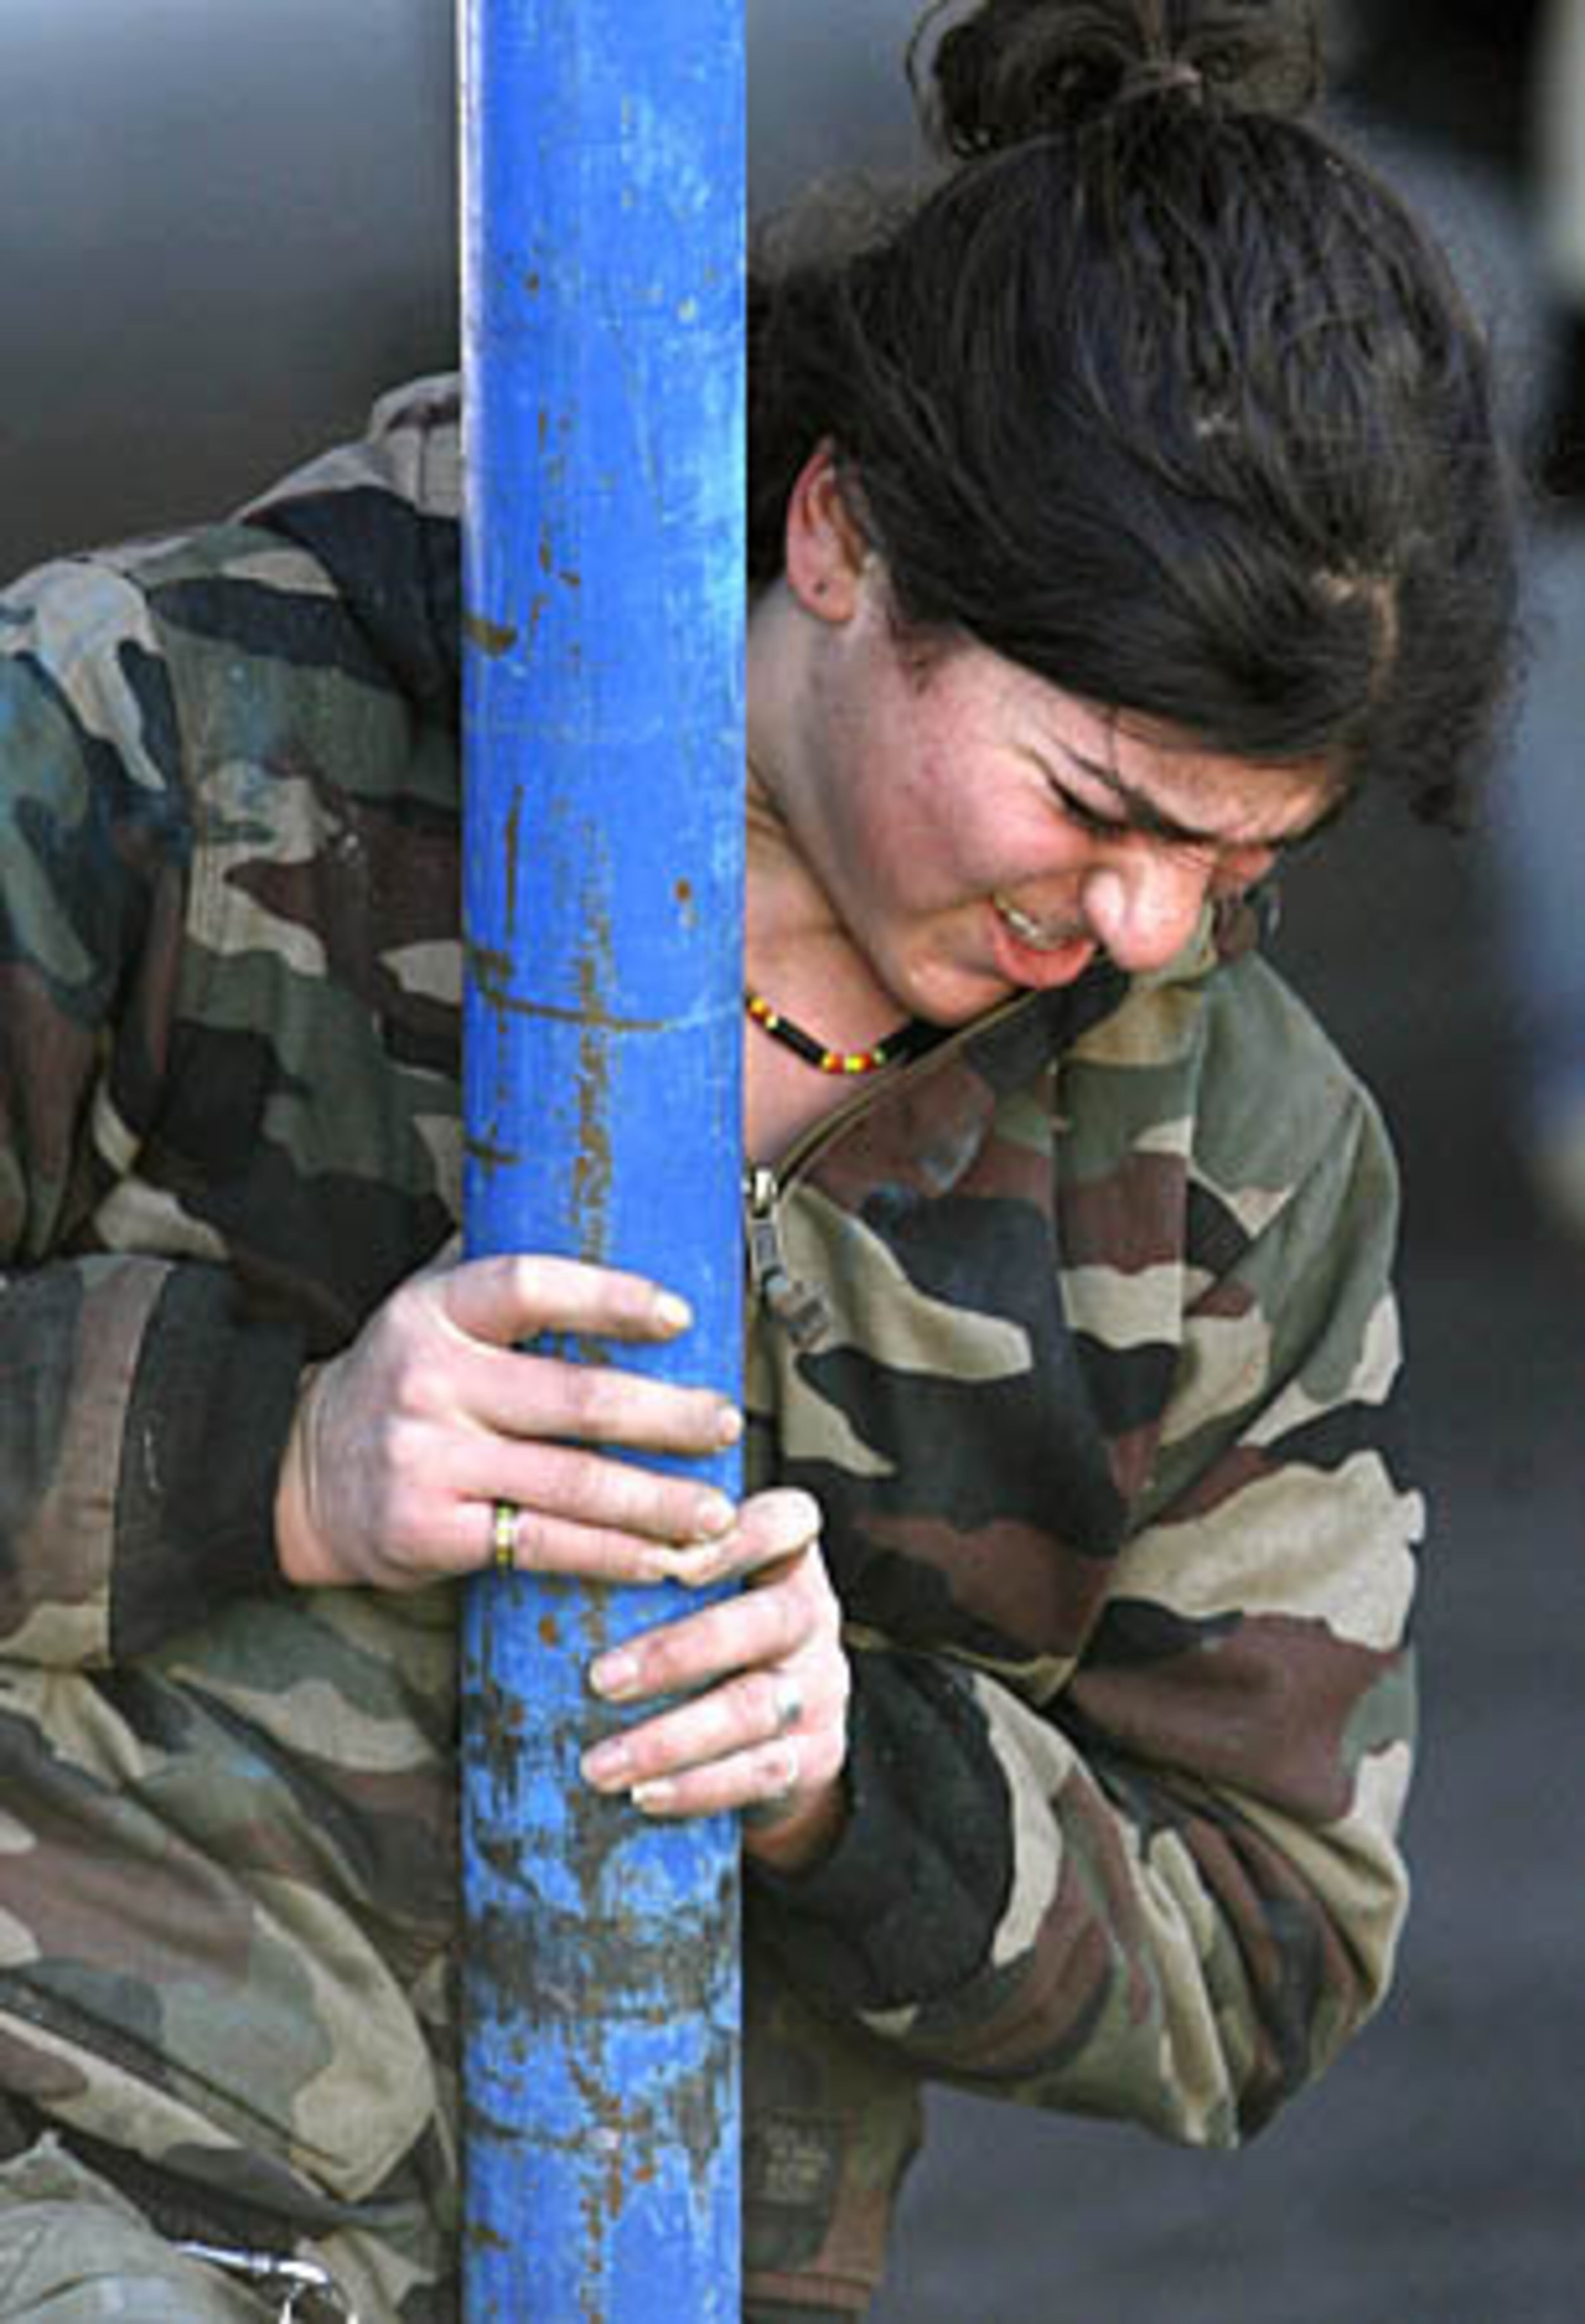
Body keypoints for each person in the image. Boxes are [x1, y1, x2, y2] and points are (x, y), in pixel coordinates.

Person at [0, 1, 1519, 2317]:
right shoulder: (152, 730)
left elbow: (1271, 1939)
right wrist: (263, 1457)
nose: (1140, 931)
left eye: (1244, 863)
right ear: (840, 539)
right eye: (1099, 808)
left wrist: (852, 1781)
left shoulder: (1238, 1149)